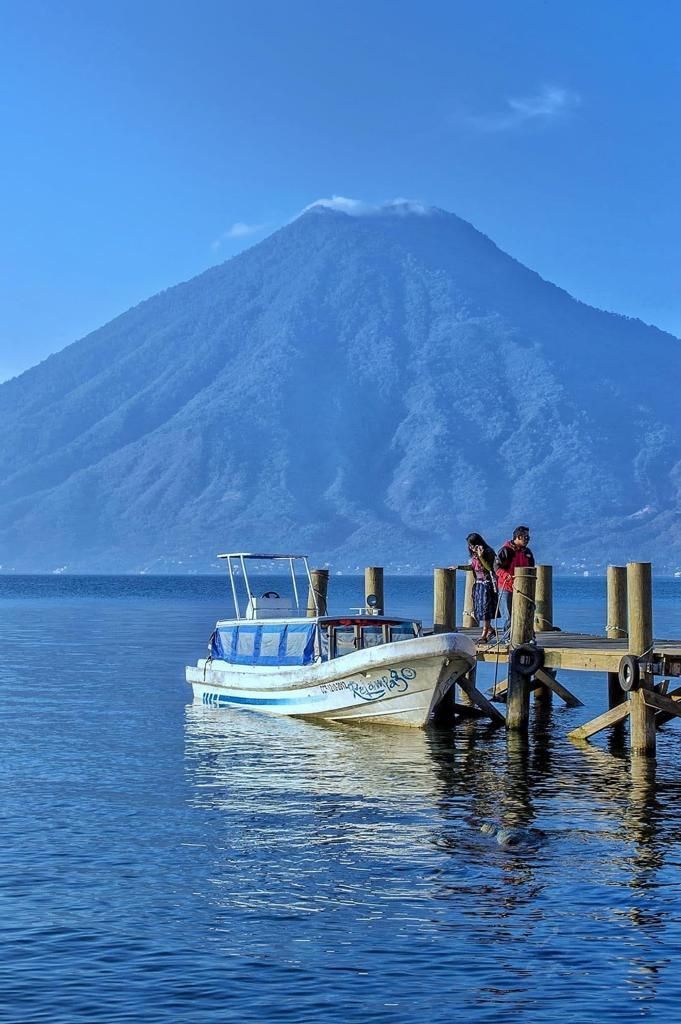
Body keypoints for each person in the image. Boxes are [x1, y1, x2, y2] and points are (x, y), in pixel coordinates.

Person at [495, 526, 535, 642]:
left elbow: (531, 567)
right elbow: (496, 567)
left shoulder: (527, 552)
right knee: (508, 615)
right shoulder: (506, 550)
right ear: (518, 537)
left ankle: (529, 637)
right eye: (526, 537)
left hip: (523, 588)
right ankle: (508, 638)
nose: (528, 540)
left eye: (528, 537)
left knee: (527, 612)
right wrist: (505, 575)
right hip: (506, 587)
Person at [463, 532, 498, 642]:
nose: (471, 548)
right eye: (469, 546)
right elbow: (473, 567)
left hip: (487, 585)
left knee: (486, 611)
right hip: (478, 585)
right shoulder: (474, 555)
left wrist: (481, 556)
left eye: (472, 545)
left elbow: (489, 568)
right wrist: (458, 567)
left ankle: (484, 634)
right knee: (478, 611)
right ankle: (491, 630)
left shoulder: (488, 552)